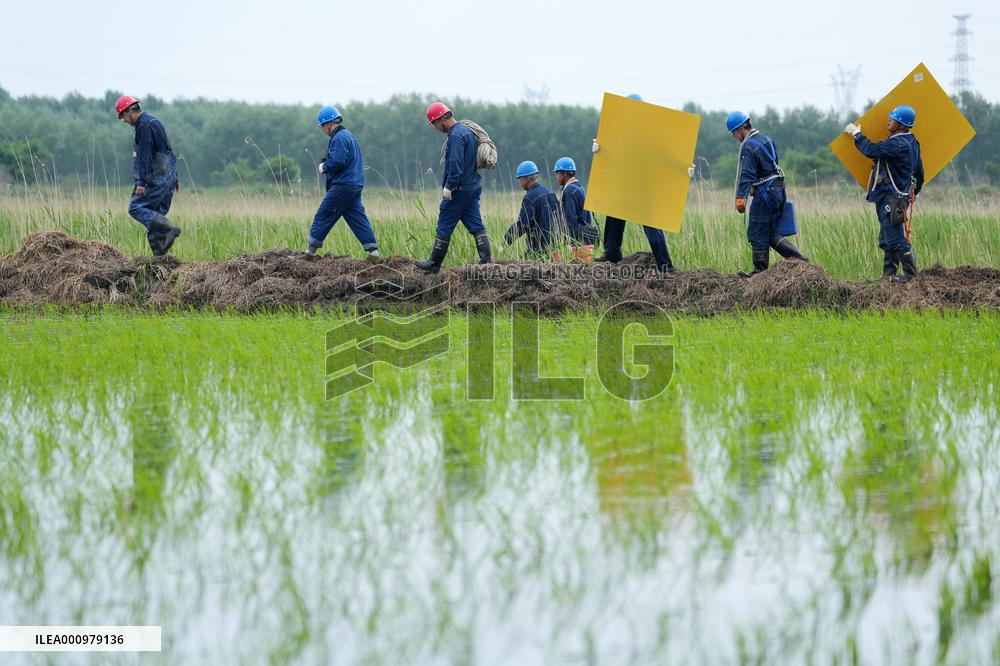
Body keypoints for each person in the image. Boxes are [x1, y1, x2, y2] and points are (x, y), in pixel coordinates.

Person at [591, 93, 694, 273]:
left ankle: (665, 265)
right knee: (613, 215)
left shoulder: (651, 132)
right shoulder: (620, 130)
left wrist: (684, 168)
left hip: (645, 186)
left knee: (652, 226)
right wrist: (600, 149)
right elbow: (614, 154)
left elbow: (667, 153)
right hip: (624, 182)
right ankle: (612, 253)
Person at [844, 104, 924, 282]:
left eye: (893, 119)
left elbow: (871, 150)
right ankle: (888, 276)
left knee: (895, 238)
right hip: (896, 197)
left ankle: (911, 276)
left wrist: (856, 134)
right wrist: (915, 192)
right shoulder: (912, 141)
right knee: (887, 237)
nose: (889, 120)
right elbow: (920, 172)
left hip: (890, 197)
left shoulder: (897, 143)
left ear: (902, 125)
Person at [726, 110, 808, 277]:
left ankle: (759, 273)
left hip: (765, 194)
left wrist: (741, 199)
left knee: (757, 232)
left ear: (740, 129)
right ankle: (802, 263)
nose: (734, 137)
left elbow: (747, 174)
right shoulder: (766, 139)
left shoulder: (748, 146)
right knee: (770, 233)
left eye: (733, 133)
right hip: (778, 190)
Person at [415, 102, 491, 273]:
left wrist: (449, 186)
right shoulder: (467, 132)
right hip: (472, 187)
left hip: (459, 189)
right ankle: (486, 260)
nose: (435, 127)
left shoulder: (455, 135)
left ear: (441, 120)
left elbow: (456, 163)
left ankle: (434, 263)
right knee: (475, 224)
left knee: (444, 223)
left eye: (434, 123)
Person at [307, 106, 380, 261]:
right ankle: (373, 252)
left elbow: (338, 161)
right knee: (357, 217)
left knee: (323, 214)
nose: (322, 129)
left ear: (329, 123)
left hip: (342, 186)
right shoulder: (349, 136)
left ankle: (309, 252)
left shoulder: (339, 138)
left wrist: (324, 167)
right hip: (354, 185)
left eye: (322, 126)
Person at [116, 95, 181, 257]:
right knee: (154, 214)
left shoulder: (143, 127)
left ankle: (168, 228)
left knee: (136, 208)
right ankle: (159, 257)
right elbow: (168, 151)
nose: (123, 121)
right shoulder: (154, 122)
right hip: (168, 176)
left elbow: (144, 155)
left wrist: (141, 182)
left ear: (129, 111)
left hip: (156, 177)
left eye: (123, 116)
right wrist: (175, 178)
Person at [504, 161, 558, 257]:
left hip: (538, 249)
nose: (520, 182)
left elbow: (522, 224)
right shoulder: (550, 193)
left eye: (520, 178)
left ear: (525, 178)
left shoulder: (530, 197)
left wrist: (506, 240)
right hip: (555, 248)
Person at [552, 157, 599, 251]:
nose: (556, 176)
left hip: (577, 241)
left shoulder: (569, 190)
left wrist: (571, 242)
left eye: (557, 173)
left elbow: (570, 219)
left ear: (564, 173)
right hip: (584, 237)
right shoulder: (579, 187)